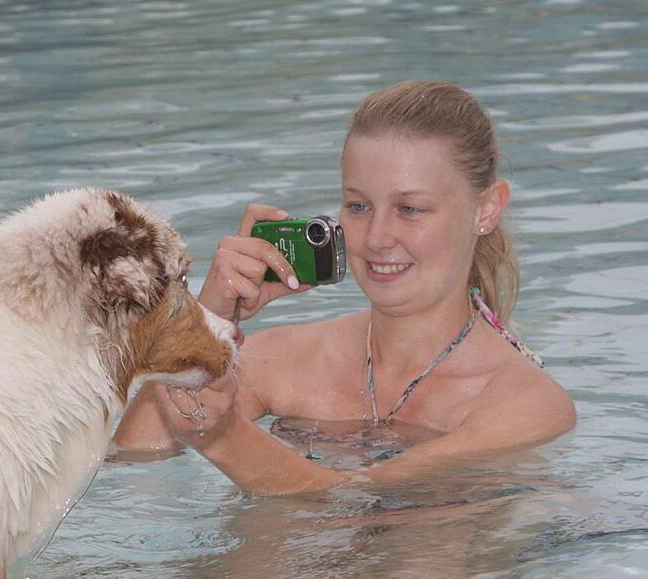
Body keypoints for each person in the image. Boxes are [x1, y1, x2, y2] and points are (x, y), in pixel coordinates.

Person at [113, 80, 576, 494]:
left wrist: (221, 435)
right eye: (358, 206)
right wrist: (206, 323)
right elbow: (136, 459)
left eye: (410, 209)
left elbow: (354, 500)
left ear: (487, 210)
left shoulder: (526, 404)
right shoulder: (287, 358)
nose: (376, 238)